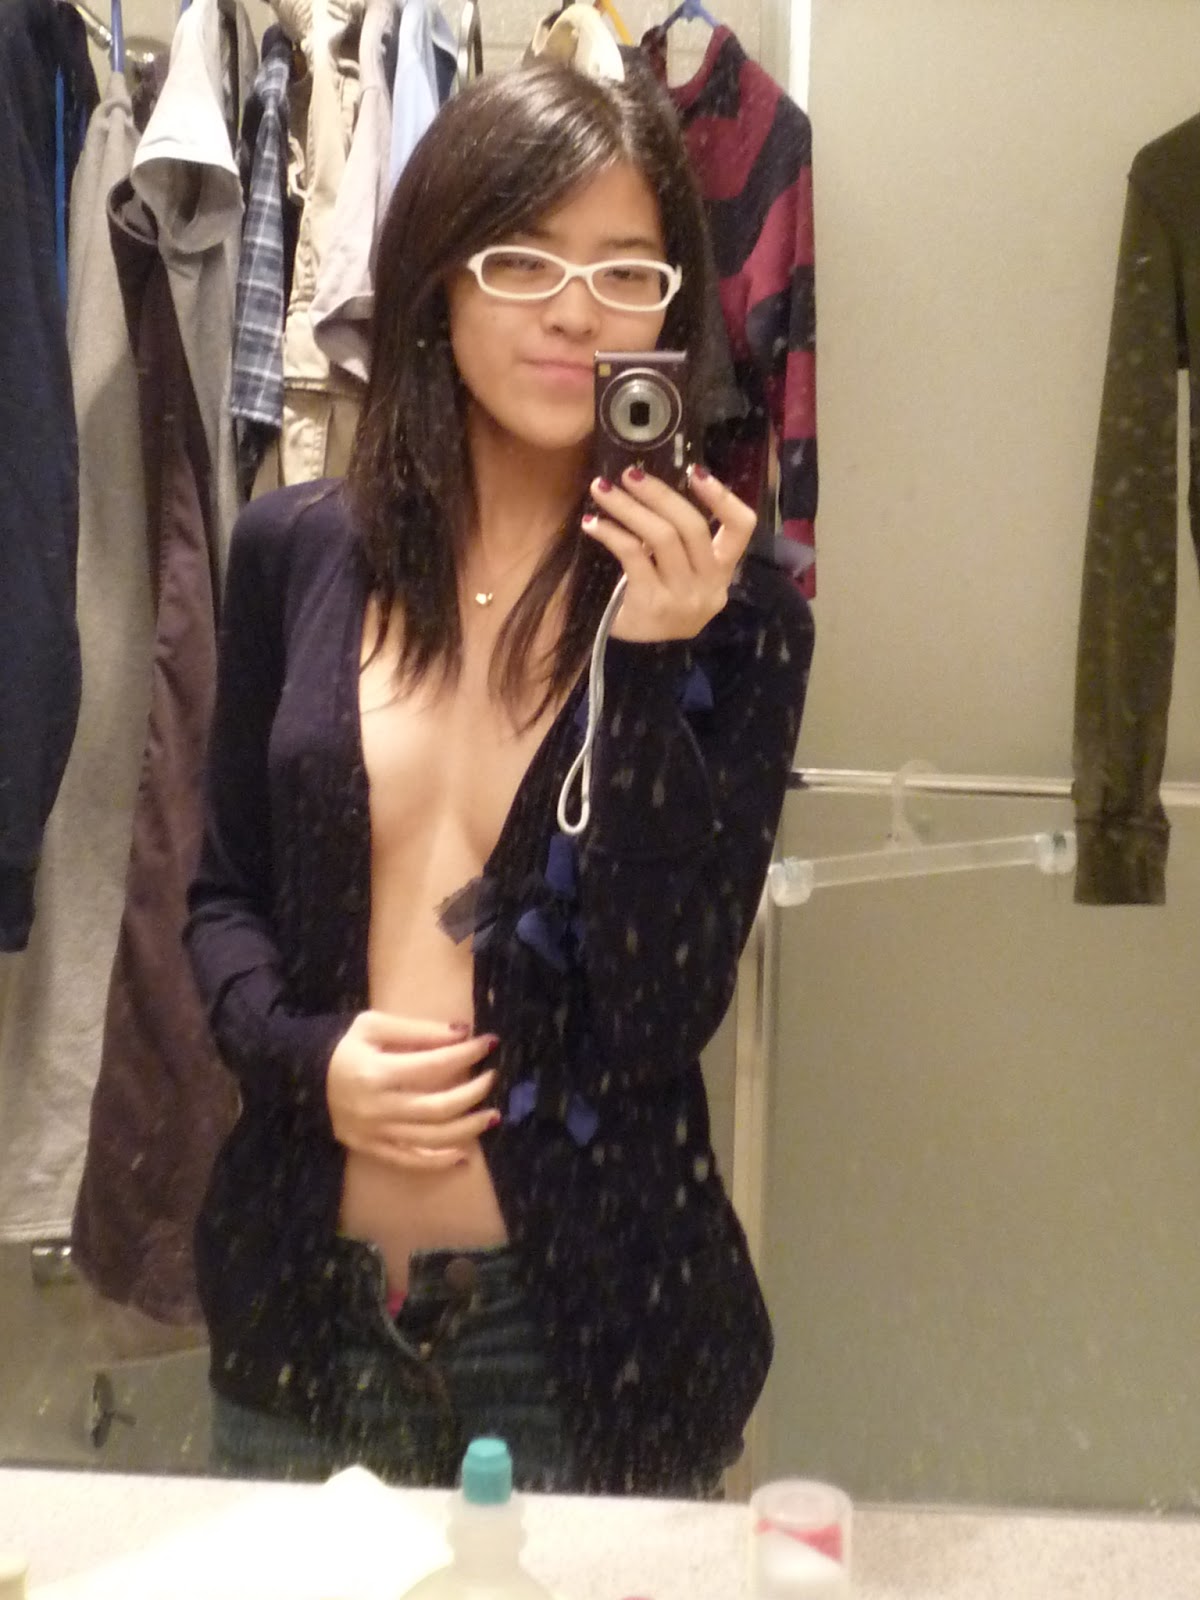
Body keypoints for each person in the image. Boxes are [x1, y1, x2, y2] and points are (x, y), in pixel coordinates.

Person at [184, 57, 814, 1496]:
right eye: (523, 258)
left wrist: (646, 667)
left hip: (589, 1329)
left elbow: (659, 1011)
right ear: (439, 279)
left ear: (672, 310)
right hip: (303, 1309)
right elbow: (219, 901)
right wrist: (307, 1061)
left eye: (625, 270)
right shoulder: (296, 551)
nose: (575, 311)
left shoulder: (742, 618)